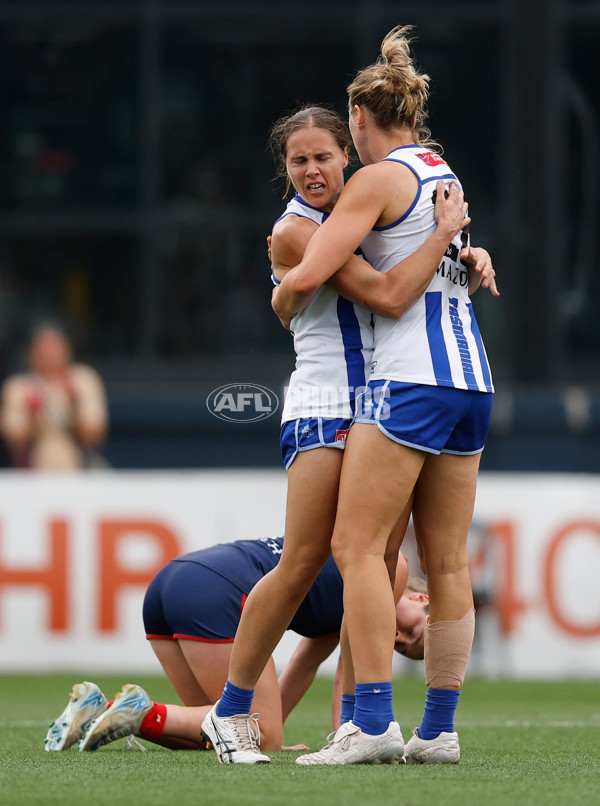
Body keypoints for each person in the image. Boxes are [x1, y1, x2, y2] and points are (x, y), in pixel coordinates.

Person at [201, 104, 497, 763]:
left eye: (323, 157)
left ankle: (363, 721)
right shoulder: (302, 231)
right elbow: (391, 293)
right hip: (326, 402)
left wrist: (461, 251)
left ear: (349, 157)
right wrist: (443, 234)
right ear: (285, 172)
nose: (312, 170)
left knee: (375, 563)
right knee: (306, 561)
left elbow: (404, 256)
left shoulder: (357, 216)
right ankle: (229, 711)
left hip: (376, 403)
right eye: (297, 161)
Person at [269, 25, 497, 766]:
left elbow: (318, 273)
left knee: (358, 548)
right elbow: (454, 265)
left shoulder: (374, 178)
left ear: (359, 119)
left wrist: (286, 291)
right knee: (448, 563)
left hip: (409, 383)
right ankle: (440, 730)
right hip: (472, 380)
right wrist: (468, 252)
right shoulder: (443, 170)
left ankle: (370, 722)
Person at [43, 536, 429, 753]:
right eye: (414, 631)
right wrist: (348, 745)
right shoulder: (391, 567)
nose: (398, 637)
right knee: (250, 732)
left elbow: (304, 667)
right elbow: (353, 675)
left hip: (172, 583)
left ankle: (101, 709)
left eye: (402, 647)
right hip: (214, 591)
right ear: (420, 599)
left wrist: (270, 737)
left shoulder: (352, 596)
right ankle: (133, 710)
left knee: (213, 739)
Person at [0, 322, 108, 469]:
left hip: (80, 468)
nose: (50, 355)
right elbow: (14, 442)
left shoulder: (83, 379)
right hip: (31, 471)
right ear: (31, 354)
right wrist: (36, 415)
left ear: (67, 350)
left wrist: (72, 407)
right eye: (44, 349)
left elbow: (95, 437)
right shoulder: (19, 386)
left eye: (55, 348)